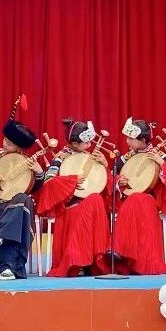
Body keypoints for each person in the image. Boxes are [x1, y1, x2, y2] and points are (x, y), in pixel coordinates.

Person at [0, 95, 48, 281]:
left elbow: (35, 187)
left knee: (23, 200)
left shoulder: (27, 161)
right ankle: (9, 268)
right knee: (21, 208)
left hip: (20, 203)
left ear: (18, 147)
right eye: (4, 141)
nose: (3, 144)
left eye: (9, 143)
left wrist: (39, 173)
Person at [40, 119, 112, 277]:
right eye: (85, 143)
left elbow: (104, 183)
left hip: (91, 204)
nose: (88, 146)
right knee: (95, 200)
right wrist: (72, 180)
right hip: (69, 206)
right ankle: (83, 258)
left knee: (95, 200)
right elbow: (48, 183)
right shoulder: (60, 158)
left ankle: (89, 260)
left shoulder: (90, 157)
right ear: (73, 143)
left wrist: (105, 166)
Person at [110, 118, 166, 275]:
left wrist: (162, 165)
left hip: (149, 200)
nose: (127, 141)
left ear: (142, 140)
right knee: (133, 198)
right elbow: (110, 180)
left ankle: (122, 249)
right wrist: (118, 182)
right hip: (128, 201)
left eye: (131, 139)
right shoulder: (125, 158)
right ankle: (124, 252)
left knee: (136, 198)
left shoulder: (160, 155)